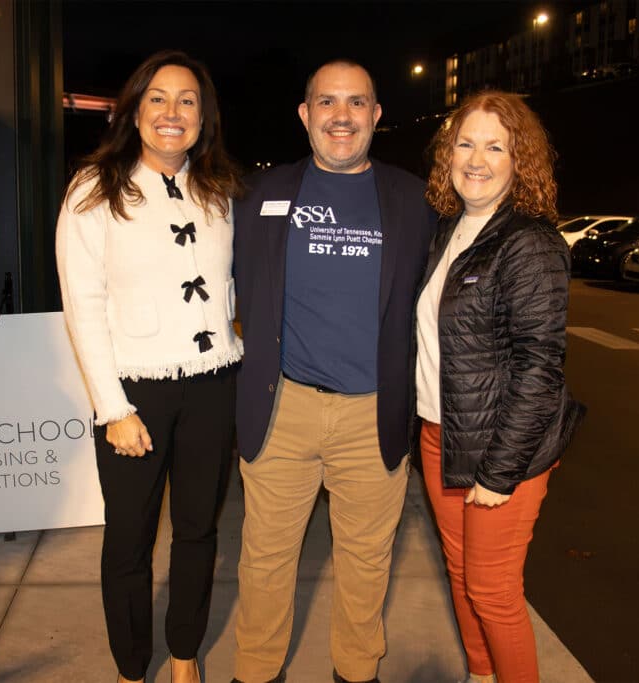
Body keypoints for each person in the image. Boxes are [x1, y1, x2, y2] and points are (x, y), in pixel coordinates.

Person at [231, 60, 437, 683]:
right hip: (282, 408)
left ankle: (356, 671)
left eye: (355, 103)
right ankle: (256, 671)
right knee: (263, 561)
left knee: (366, 563)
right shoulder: (263, 194)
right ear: (305, 114)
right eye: (327, 103)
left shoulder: (414, 200)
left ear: (376, 115)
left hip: (371, 414)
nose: (340, 116)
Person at [55, 50, 243, 683]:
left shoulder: (217, 189)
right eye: (158, 98)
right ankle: (132, 666)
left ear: (203, 116)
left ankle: (185, 655)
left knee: (198, 532)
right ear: (134, 111)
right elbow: (82, 305)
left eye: (187, 100)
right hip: (136, 395)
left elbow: (227, 287)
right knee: (129, 541)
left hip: (213, 385)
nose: (172, 112)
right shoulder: (94, 188)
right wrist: (114, 409)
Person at [415, 90, 586, 683]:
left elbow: (541, 367)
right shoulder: (451, 229)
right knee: (462, 579)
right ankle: (481, 675)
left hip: (499, 449)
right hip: (442, 435)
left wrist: (499, 471)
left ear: (521, 160)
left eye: (496, 145)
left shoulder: (529, 242)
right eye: (465, 143)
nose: (477, 158)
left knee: (493, 592)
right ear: (448, 154)